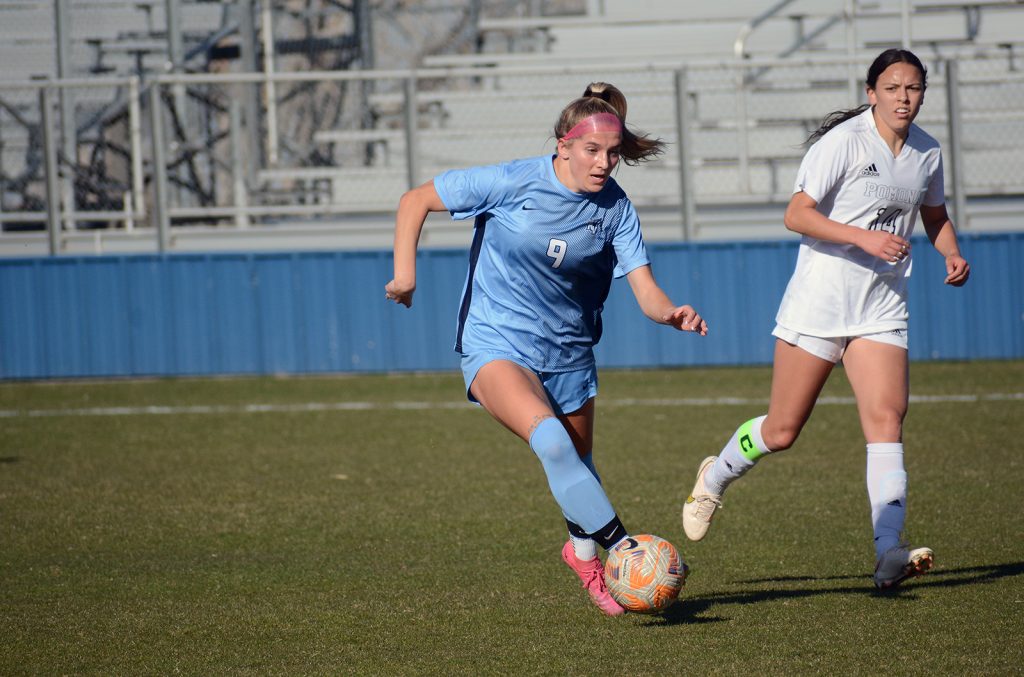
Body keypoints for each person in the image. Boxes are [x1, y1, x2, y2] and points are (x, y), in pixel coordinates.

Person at [385, 82, 707, 615]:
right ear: (562, 145)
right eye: (592, 150)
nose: (604, 163)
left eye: (613, 153)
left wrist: (670, 312)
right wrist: (404, 276)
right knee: (553, 444)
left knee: (580, 465)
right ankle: (626, 550)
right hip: (497, 341)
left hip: (571, 354)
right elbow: (415, 199)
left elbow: (645, 290)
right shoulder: (512, 181)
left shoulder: (616, 210)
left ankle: (583, 556)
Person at [680, 48, 970, 590]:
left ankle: (889, 552)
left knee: (887, 421)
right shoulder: (843, 143)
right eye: (892, 88)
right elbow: (797, 214)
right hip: (819, 303)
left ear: (923, 95)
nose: (903, 98)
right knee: (783, 430)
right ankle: (713, 476)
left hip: (881, 307)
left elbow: (935, 216)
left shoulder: (927, 153)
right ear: (871, 93)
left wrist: (949, 252)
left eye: (913, 89)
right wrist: (864, 237)